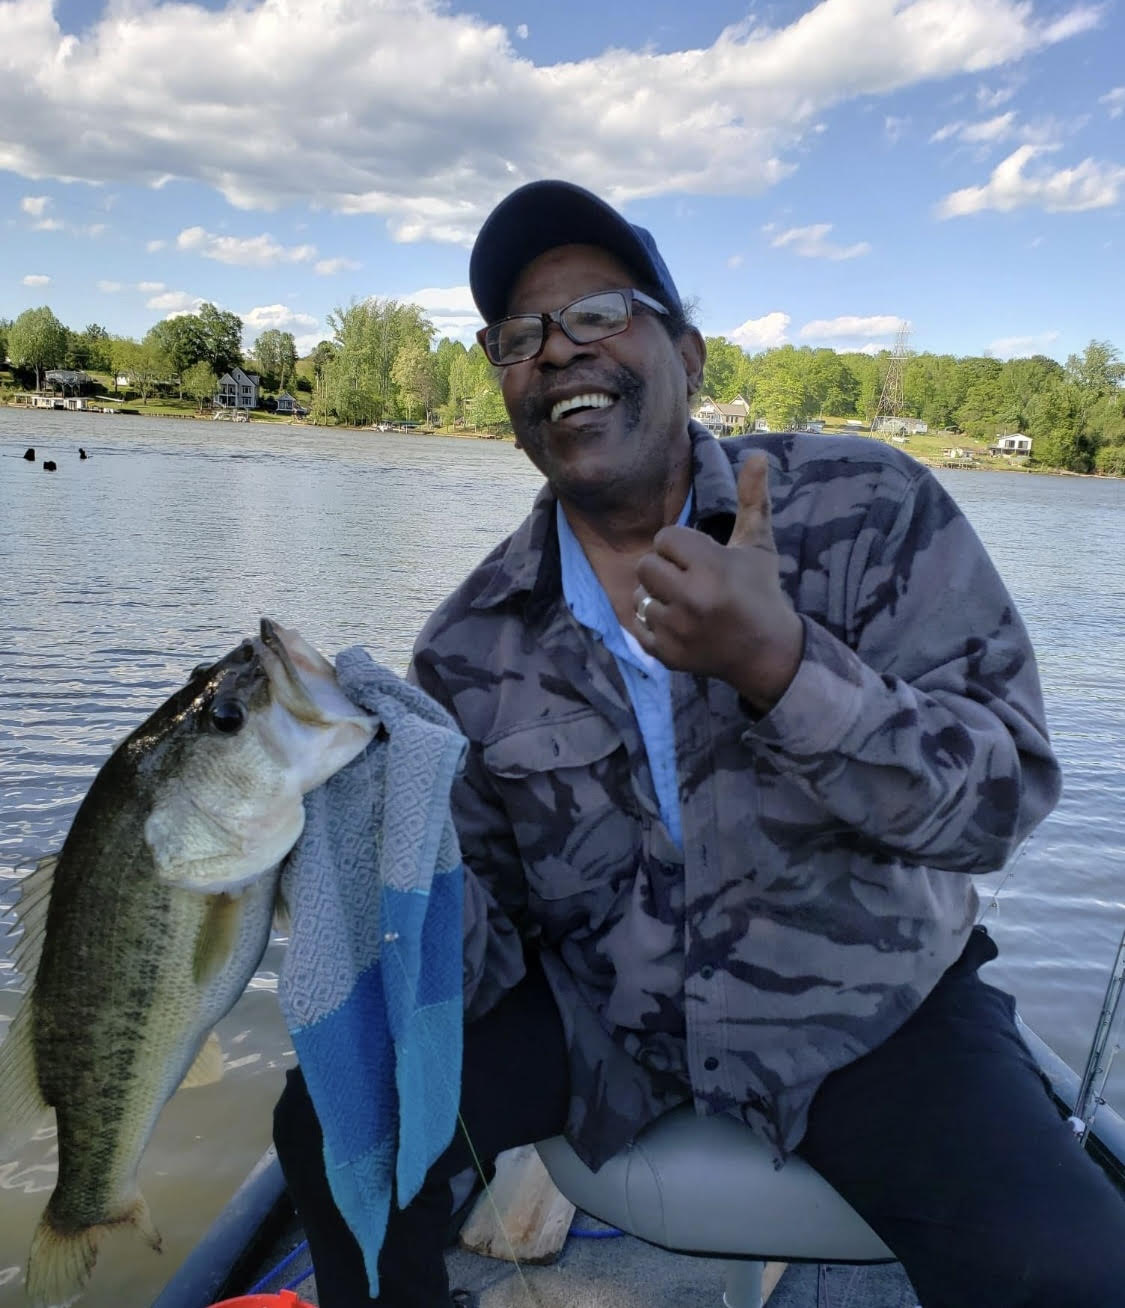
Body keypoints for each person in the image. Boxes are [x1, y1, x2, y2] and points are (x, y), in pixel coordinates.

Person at [274, 180, 1125, 1307]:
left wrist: (782, 668)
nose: (558, 353)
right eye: (518, 337)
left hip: (875, 1017)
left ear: (690, 352)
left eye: (597, 314)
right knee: (332, 1115)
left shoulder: (872, 511)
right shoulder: (468, 645)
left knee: (1071, 1272)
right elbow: (478, 952)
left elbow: (1001, 803)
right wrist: (345, 860)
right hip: (603, 1023)